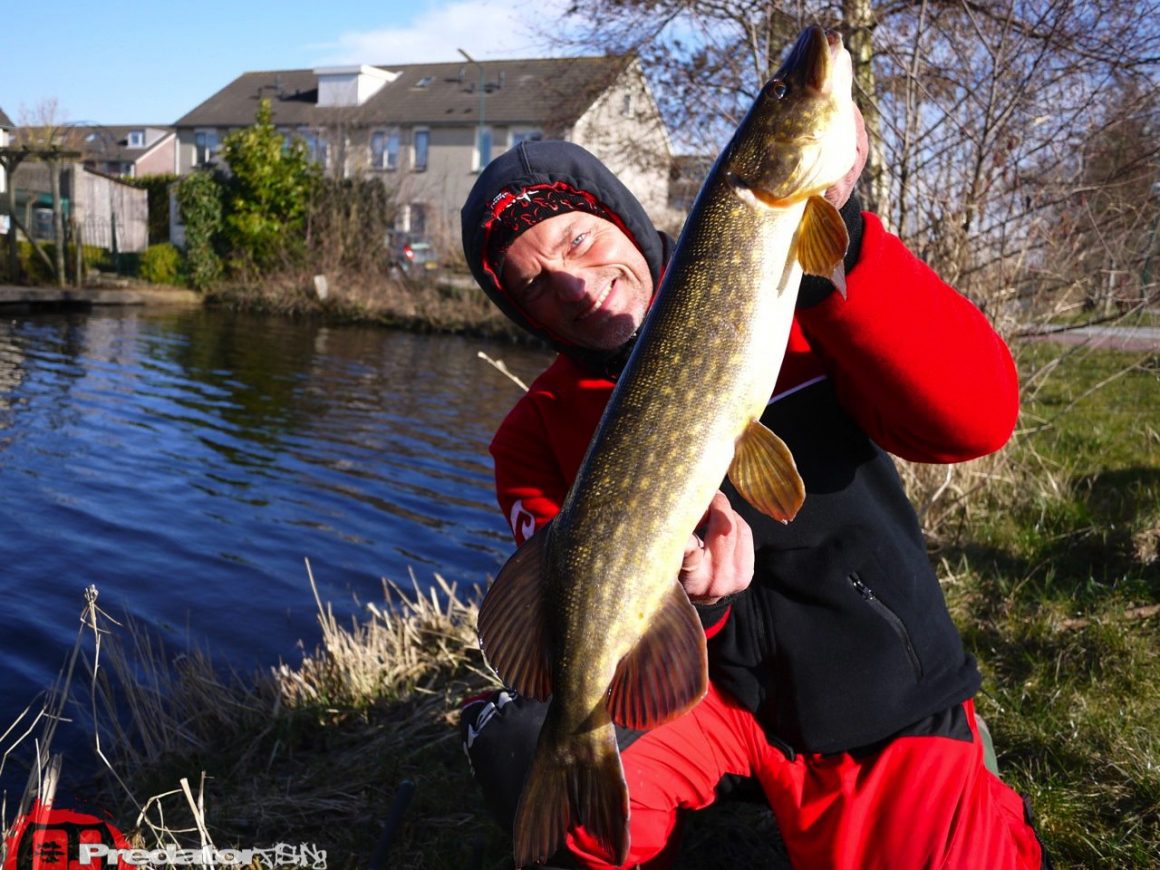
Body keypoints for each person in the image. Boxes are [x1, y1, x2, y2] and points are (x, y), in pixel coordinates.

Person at [458, 116, 1049, 868]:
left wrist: (846, 235)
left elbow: (977, 421)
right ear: (519, 310)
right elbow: (567, 619)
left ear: (624, 221)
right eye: (535, 282)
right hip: (706, 700)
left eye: (580, 241)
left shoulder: (792, 300)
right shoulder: (532, 433)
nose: (576, 284)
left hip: (867, 687)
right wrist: (696, 606)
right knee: (531, 762)